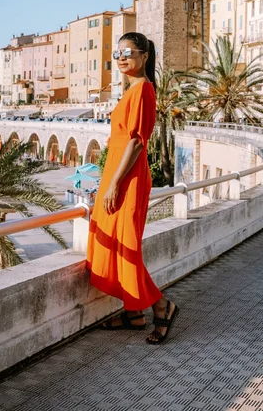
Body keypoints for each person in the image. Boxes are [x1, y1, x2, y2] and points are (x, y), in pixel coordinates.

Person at [86, 32, 179, 344]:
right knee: (114, 243)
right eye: (118, 53)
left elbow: (137, 142)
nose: (122, 57)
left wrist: (114, 184)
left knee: (127, 248)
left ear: (145, 56)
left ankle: (161, 306)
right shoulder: (132, 90)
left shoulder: (142, 91)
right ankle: (133, 312)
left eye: (129, 51)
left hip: (127, 180)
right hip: (118, 177)